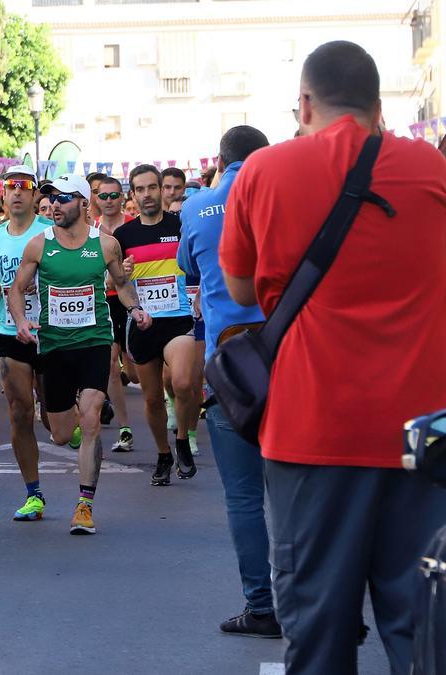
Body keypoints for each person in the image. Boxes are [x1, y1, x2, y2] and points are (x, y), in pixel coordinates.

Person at [222, 40, 446, 672]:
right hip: (422, 440)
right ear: (380, 108)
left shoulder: (264, 171)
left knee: (317, 632)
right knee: (424, 631)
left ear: (303, 103)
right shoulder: (431, 168)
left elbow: (242, 291)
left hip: (311, 434)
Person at [177, 124, 279, 637]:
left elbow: (189, 270)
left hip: (231, 369)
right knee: (299, 495)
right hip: (290, 364)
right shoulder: (287, 202)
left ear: (220, 161)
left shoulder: (196, 209)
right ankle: (314, 602)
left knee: (242, 497)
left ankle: (260, 606)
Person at [9, 173, 148, 534]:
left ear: (84, 203)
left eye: (65, 198)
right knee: (59, 433)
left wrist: (134, 309)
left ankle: (84, 505)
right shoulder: (39, 245)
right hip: (54, 345)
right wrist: (22, 320)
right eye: (52, 198)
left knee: (91, 418)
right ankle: (65, 416)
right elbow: (17, 289)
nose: (55, 204)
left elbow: (121, 283)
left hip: (94, 341)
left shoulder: (106, 245)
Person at [115, 164, 199, 486]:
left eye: (153, 187)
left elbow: (200, 264)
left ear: (162, 189)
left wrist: (201, 292)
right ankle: (164, 454)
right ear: (133, 195)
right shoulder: (123, 236)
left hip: (178, 319)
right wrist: (122, 276)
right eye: (141, 189)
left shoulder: (181, 226)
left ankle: (181, 438)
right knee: (151, 399)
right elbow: (115, 282)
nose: (148, 194)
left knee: (182, 383)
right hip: (144, 322)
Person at [0, 167, 51, 520]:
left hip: (52, 330)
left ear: (34, 195)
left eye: (24, 188)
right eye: (10, 188)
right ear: (3, 195)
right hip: (9, 330)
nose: (16, 193)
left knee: (56, 428)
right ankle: (34, 493)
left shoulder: (49, 233)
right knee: (20, 411)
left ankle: (60, 414)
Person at [92, 177, 135, 452]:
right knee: (109, 363)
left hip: (131, 300)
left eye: (113, 196)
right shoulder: (90, 229)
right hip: (104, 302)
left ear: (122, 197)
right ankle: (125, 428)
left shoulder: (133, 224)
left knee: (135, 370)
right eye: (102, 196)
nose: (107, 201)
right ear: (96, 199)